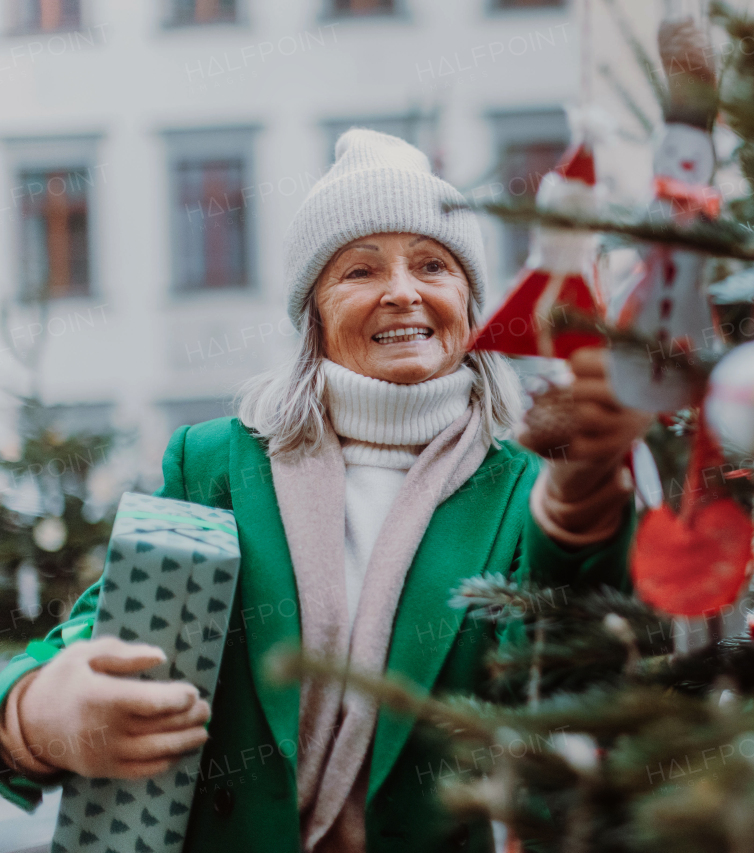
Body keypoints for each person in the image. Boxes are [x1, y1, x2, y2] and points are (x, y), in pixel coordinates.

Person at [0, 129, 648, 852]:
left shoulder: (529, 485)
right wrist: (32, 713)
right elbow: (112, 632)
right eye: (360, 270)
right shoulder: (215, 462)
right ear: (313, 315)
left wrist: (581, 512)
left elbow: (568, 665)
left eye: (432, 264)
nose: (402, 291)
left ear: (472, 305)